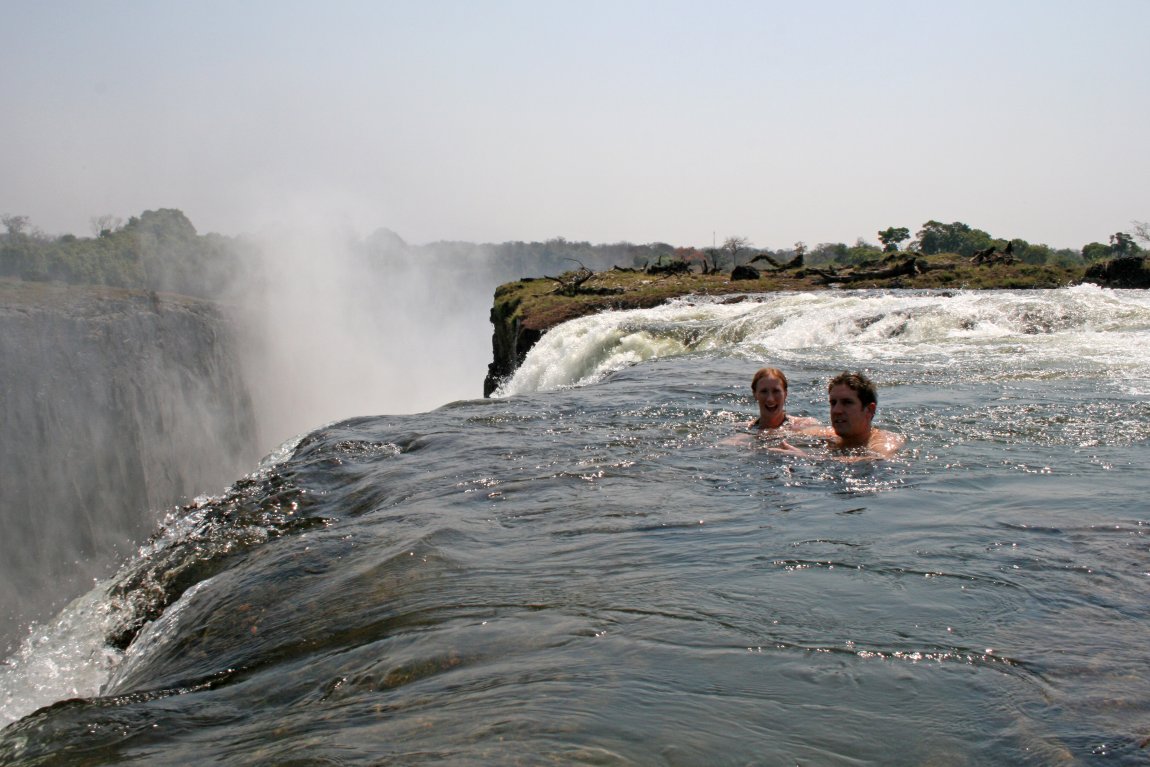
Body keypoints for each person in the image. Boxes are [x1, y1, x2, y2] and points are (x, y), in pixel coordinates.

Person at [775, 371, 905, 459]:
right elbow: (775, 433)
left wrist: (809, 458)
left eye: (847, 402)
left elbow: (877, 459)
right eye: (833, 403)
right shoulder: (829, 435)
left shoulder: (884, 441)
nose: (836, 410)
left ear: (869, 410)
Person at [746, 367, 820, 432]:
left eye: (776, 391)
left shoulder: (806, 425)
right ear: (755, 394)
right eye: (764, 391)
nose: (770, 399)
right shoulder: (745, 430)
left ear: (785, 394)